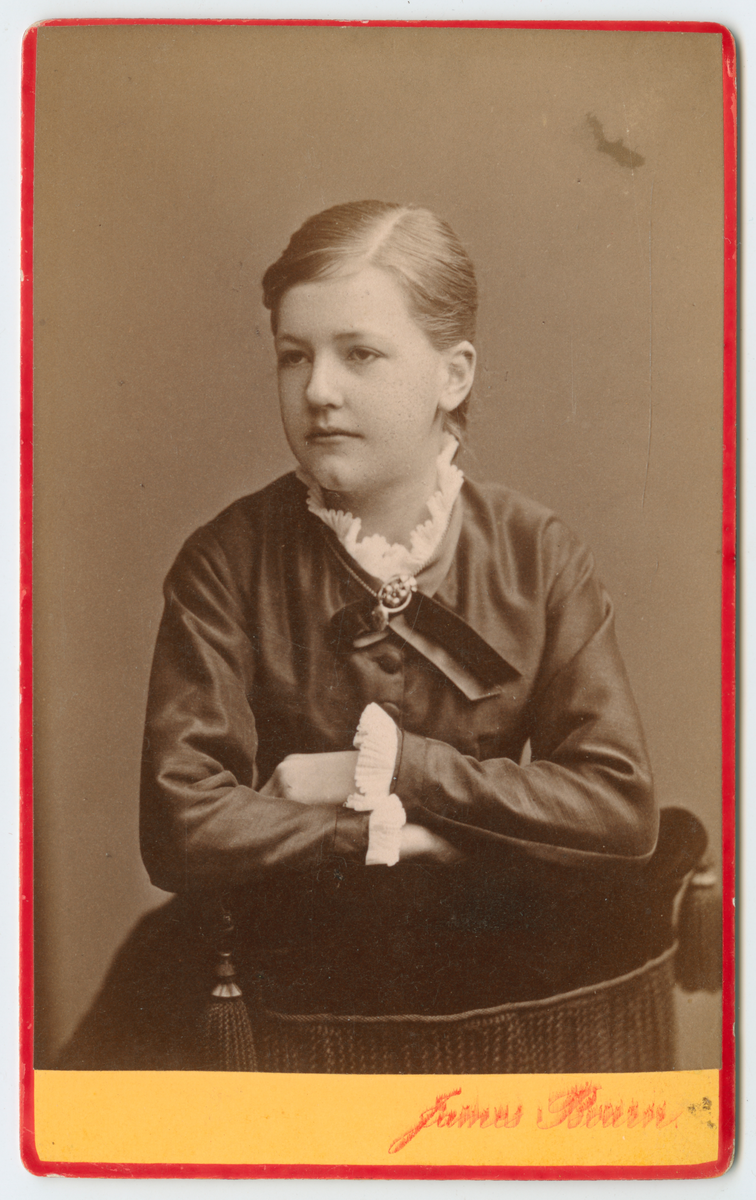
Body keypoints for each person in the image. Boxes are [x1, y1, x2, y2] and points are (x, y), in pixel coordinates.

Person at [59, 201, 706, 1073]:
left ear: (453, 375)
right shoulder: (228, 561)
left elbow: (618, 807)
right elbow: (181, 820)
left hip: (500, 991)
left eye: (359, 353)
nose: (318, 390)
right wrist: (377, 834)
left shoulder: (536, 553)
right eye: (295, 355)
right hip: (285, 998)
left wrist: (392, 772)